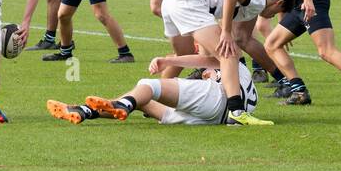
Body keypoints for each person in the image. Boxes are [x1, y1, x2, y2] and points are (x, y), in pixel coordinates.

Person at [159, 0, 296, 126]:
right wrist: (225, 32)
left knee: (182, 55)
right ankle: (237, 112)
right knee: (229, 53)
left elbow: (241, 35)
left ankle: (158, 96)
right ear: (278, 3)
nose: (271, 17)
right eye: (275, 13)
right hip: (188, 1)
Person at [47, 52, 259, 126]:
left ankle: (123, 104)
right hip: (217, 118)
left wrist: (167, 61)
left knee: (146, 85)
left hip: (215, 101)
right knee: (143, 101)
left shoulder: (232, 63)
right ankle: (85, 111)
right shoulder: (242, 75)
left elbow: (207, 61)